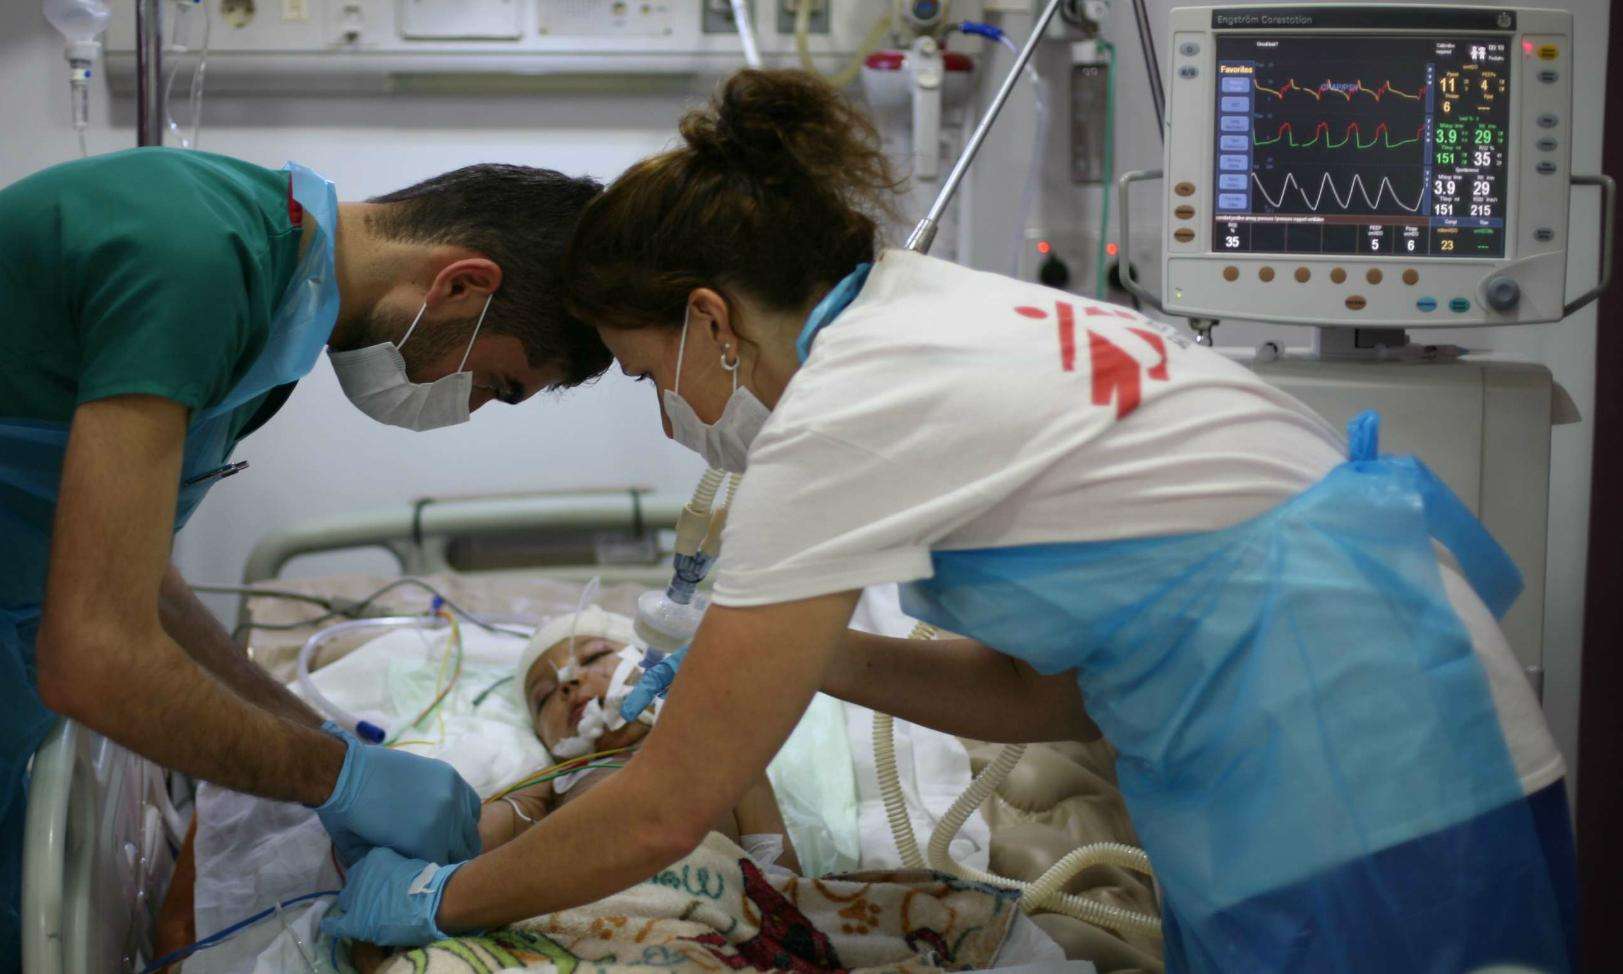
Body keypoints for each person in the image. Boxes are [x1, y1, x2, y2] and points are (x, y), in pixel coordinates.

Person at [323, 70, 1576, 973]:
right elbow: (1052, 695)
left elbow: (665, 807)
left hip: (1345, 778)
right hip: (1392, 711)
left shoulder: (840, 410)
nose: (668, 415)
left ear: (710, 318)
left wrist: (443, 895)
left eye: (652, 374)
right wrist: (808, 660)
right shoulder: (924, 314)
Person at [0, 147, 603, 971]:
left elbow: (129, 571)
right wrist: (335, 778)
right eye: (495, 384)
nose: (463, 411)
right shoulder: (196, 259)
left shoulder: (278, 305)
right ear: (460, 285)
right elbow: (97, 659)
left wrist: (309, 730)